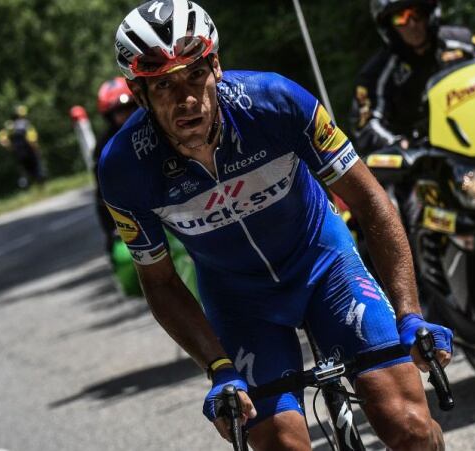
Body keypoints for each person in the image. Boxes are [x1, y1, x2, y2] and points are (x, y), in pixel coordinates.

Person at [100, 1, 452, 450]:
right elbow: (160, 281)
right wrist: (218, 369)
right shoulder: (125, 168)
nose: (186, 98)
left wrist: (409, 313)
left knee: (411, 429)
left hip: (325, 267)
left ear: (216, 66)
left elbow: (369, 200)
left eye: (195, 74)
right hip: (240, 302)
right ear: (138, 92)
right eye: (164, 84)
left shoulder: (275, 102)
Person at [350, 0, 475, 154]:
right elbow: (365, 126)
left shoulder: (463, 41)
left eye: (416, 14)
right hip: (426, 157)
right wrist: (398, 145)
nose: (412, 24)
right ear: (389, 26)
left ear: (429, 13)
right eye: (400, 18)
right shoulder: (376, 72)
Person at [94, 78, 138, 254]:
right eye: (119, 111)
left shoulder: (161, 127)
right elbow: (103, 194)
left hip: (174, 203)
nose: (126, 115)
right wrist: (113, 230)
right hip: (133, 212)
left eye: (130, 108)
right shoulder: (104, 147)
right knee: (122, 257)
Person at [0, 104, 46, 188]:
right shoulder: (26, 124)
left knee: (25, 170)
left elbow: (2, 138)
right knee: (36, 168)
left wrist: (10, 147)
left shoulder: (10, 126)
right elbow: (32, 139)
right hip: (29, 151)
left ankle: (26, 183)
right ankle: (39, 183)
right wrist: (35, 147)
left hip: (18, 153)